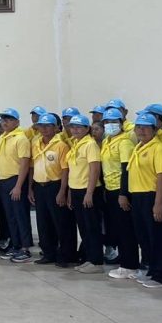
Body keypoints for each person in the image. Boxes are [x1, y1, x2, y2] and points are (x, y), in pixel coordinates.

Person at [129, 113, 162, 288]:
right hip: (138, 196)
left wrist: (158, 203)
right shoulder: (139, 146)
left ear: (155, 130)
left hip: (153, 196)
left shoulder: (158, 148)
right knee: (145, 236)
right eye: (139, 127)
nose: (142, 130)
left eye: (146, 127)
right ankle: (152, 269)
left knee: (159, 237)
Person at [30, 113, 74, 267]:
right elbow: (32, 167)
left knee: (60, 222)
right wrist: (30, 188)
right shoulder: (36, 144)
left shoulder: (61, 145)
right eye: (41, 126)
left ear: (56, 128)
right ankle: (48, 253)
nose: (44, 129)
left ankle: (65, 255)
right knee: (43, 222)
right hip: (39, 186)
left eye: (48, 125)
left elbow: (65, 170)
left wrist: (62, 191)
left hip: (55, 186)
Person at [101, 108, 140, 280]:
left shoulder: (125, 142)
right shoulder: (107, 141)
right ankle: (124, 263)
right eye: (107, 122)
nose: (110, 125)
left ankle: (130, 266)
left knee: (126, 229)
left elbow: (126, 170)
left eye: (114, 122)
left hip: (121, 190)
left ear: (122, 123)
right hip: (110, 189)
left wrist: (123, 194)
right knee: (118, 228)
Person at [66, 115, 104, 273]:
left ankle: (97, 262)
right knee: (83, 228)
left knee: (92, 227)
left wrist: (89, 193)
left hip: (88, 190)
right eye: (72, 127)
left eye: (78, 127)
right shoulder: (75, 143)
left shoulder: (90, 144)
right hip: (76, 189)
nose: (75, 130)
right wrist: (70, 192)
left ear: (87, 128)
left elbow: (95, 170)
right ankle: (89, 258)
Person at [0, 108, 33, 262]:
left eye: (9, 119)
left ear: (17, 122)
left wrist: (18, 186)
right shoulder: (2, 137)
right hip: (3, 181)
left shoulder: (21, 138)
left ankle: (25, 248)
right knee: (10, 216)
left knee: (20, 215)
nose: (5, 122)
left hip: (16, 180)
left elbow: (24, 163)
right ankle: (16, 245)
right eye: (3, 119)